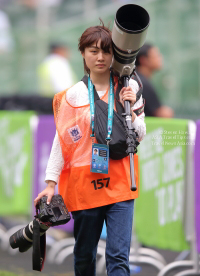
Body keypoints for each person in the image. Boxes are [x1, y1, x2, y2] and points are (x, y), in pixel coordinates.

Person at [34, 21, 146, 276]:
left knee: (118, 257)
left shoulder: (129, 87)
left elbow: (140, 135)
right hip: (86, 184)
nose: (100, 57)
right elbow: (59, 142)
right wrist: (50, 183)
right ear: (82, 53)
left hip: (121, 183)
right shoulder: (72, 96)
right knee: (84, 256)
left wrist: (131, 111)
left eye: (106, 51)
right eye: (93, 50)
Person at [135, 43, 174, 118]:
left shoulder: (138, 79)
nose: (160, 58)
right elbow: (161, 113)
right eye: (157, 56)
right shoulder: (142, 83)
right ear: (144, 60)